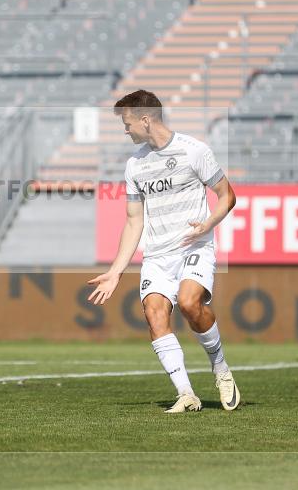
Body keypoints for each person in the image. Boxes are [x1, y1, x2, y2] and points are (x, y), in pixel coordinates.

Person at [87, 89, 239, 412]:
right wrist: (115, 272)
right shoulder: (134, 165)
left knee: (189, 303)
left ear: (145, 120)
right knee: (154, 314)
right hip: (157, 256)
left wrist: (208, 224)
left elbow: (227, 195)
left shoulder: (194, 151)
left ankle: (221, 368)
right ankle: (186, 394)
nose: (125, 129)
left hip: (193, 247)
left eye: (127, 123)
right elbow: (133, 221)